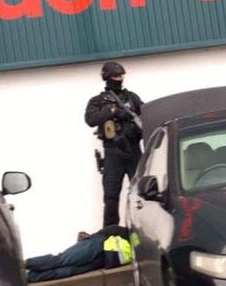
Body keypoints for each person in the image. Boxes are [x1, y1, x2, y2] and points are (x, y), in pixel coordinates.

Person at [85, 61, 143, 227]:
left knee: (142, 193)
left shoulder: (133, 98)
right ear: (107, 78)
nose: (118, 79)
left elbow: (146, 115)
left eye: (120, 76)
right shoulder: (98, 101)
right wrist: (112, 111)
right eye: (114, 76)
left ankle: (142, 228)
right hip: (113, 152)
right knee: (111, 197)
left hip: (133, 151)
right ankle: (110, 233)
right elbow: (90, 119)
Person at [26, 225, 131, 283]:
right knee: (61, 260)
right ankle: (24, 265)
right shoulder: (129, 231)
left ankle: (29, 278)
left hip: (103, 259)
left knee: (67, 271)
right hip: (97, 244)